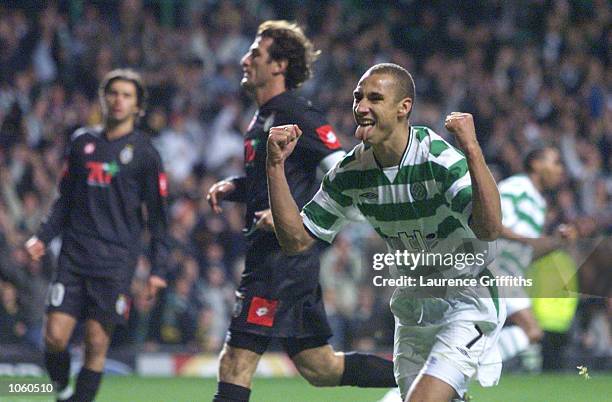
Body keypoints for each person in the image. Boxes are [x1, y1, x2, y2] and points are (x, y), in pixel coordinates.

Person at [266, 63, 506, 402]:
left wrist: (472, 149)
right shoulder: (351, 172)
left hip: (466, 301)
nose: (361, 107)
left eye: (374, 98)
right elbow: (296, 240)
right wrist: (274, 166)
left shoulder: (436, 158)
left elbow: (490, 228)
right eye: (358, 97)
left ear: (403, 108)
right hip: (413, 309)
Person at [206, 20, 396, 402]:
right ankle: (434, 379)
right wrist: (235, 187)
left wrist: (303, 220)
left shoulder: (297, 113)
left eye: (254, 54)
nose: (245, 60)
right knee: (320, 368)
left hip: (280, 260)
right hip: (280, 258)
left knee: (235, 362)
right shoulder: (262, 117)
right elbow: (276, 183)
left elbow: (343, 173)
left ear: (279, 66)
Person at [25, 68, 169, 402]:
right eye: (113, 93)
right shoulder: (82, 142)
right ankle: (61, 389)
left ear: (138, 106)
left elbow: (158, 220)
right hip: (74, 256)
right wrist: (42, 237)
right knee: (55, 338)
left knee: (95, 342)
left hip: (116, 262)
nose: (118, 100)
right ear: (104, 99)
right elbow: (65, 200)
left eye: (127, 95)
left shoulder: (146, 154)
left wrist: (158, 270)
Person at [494, 147, 576, 365]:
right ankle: (467, 367)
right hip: (494, 269)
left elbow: (527, 254)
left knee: (529, 332)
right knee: (531, 331)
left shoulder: (537, 202)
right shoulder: (516, 187)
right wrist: (533, 241)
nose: (561, 169)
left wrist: (555, 242)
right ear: (536, 164)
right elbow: (493, 225)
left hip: (509, 273)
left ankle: (463, 370)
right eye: (556, 162)